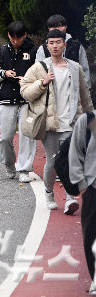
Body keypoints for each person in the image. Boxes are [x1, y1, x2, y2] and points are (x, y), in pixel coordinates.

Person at [21, 29, 94, 213]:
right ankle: (48, 192)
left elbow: (85, 97)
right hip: (50, 124)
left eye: (58, 42)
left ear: (64, 45)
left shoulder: (75, 68)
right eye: (51, 43)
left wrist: (90, 119)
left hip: (71, 123)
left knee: (70, 161)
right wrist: (42, 83)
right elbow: (25, 91)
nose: (55, 46)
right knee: (52, 163)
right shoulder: (39, 68)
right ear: (47, 46)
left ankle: (70, 198)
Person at [0, 20, 38, 183]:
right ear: (8, 36)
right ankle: (9, 164)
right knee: (5, 137)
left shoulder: (34, 52)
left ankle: (24, 169)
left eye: (19, 38)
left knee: (26, 135)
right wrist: (4, 73)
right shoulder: (1, 52)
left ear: (25, 35)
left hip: (27, 100)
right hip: (6, 99)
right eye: (12, 38)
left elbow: (41, 74)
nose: (16, 41)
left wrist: (27, 80)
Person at [69, 112, 96, 295]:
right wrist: (82, 186)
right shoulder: (87, 120)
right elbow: (75, 152)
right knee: (91, 236)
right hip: (93, 187)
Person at [36, 14, 91, 89]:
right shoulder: (43, 48)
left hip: (73, 89)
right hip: (51, 90)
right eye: (53, 27)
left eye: (60, 26)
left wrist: (86, 88)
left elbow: (84, 69)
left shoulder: (77, 46)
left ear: (66, 26)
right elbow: (38, 70)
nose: (57, 29)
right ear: (48, 28)